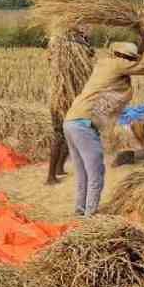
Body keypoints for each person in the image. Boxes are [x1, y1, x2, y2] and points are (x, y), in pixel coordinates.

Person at [63, 38, 144, 217]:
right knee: (96, 172)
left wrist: (143, 40)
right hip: (84, 124)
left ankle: (80, 210)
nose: (130, 63)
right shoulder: (116, 65)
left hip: (72, 121)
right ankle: (90, 215)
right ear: (121, 57)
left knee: (83, 171)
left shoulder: (107, 65)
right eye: (129, 59)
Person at [47, 28, 95, 185]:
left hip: (68, 98)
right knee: (60, 135)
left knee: (67, 134)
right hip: (62, 99)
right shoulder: (66, 43)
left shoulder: (68, 43)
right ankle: (50, 177)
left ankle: (59, 168)